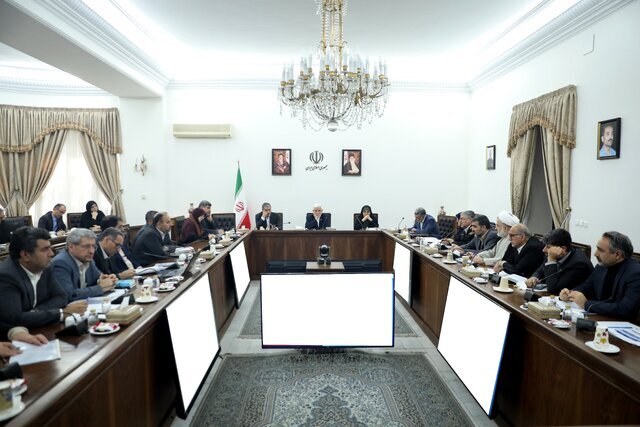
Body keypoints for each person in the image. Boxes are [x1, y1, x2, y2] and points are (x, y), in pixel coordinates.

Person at [0, 227, 87, 339]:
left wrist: (35, 312)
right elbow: (15, 318)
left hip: (39, 329)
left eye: (50, 248)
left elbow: (61, 297)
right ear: (25, 255)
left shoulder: (45, 267)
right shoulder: (6, 276)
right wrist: (61, 313)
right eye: (45, 249)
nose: (51, 254)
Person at [560, 231, 640, 320]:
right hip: (599, 318)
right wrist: (570, 293)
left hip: (623, 324)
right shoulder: (601, 267)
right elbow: (586, 287)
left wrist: (586, 304)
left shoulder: (635, 273)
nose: (595, 254)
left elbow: (625, 309)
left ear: (617, 254)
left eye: (600, 250)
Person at [50, 228, 117, 301]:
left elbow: (99, 278)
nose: (91, 251)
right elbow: (68, 295)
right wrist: (100, 287)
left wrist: (109, 280)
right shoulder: (60, 263)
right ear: (71, 247)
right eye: (86, 246)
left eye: (94, 246)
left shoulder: (88, 260)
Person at [525, 229, 593, 294]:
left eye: (548, 247)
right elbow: (540, 271)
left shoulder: (579, 264)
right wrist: (534, 278)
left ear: (563, 249)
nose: (544, 250)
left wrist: (551, 259)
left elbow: (553, 289)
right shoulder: (552, 254)